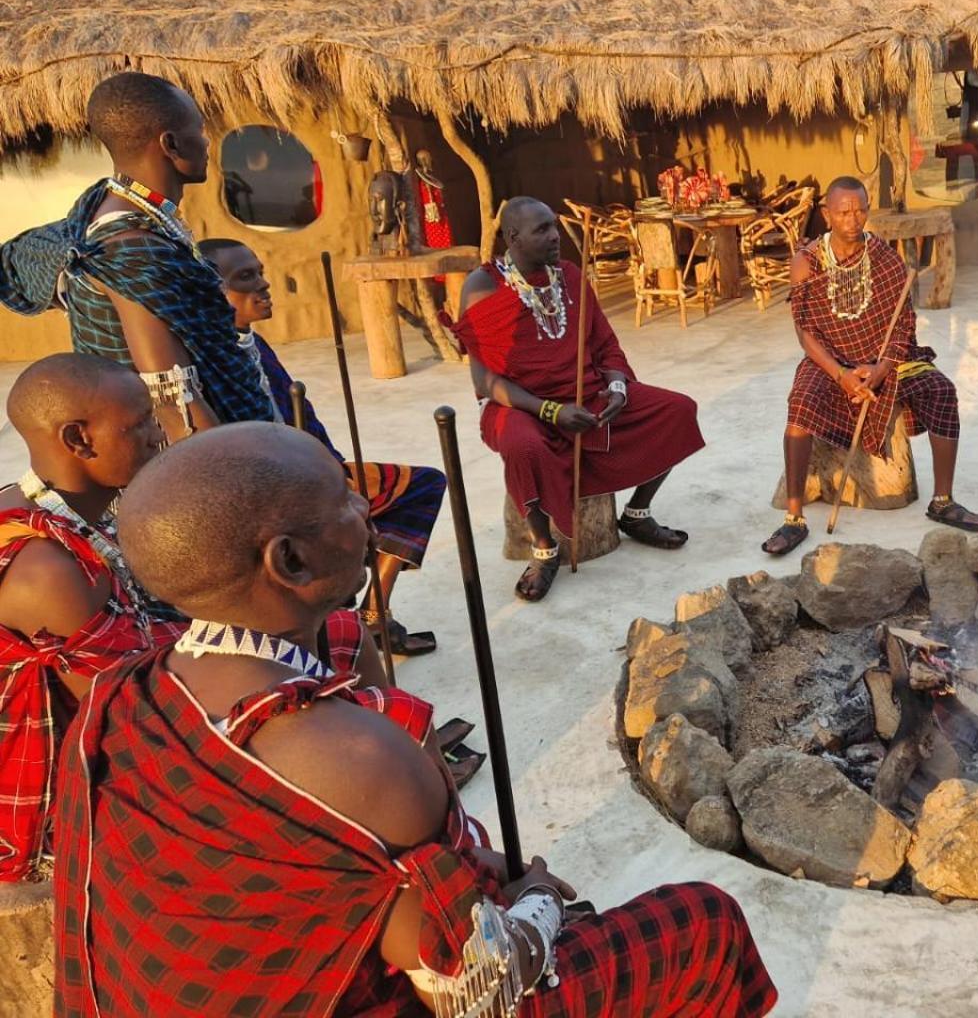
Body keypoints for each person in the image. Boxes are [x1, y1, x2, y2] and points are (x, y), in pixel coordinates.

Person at [53, 423, 778, 1017]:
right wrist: (533, 906)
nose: (367, 511)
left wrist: (469, 865)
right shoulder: (350, 757)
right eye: (344, 498)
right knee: (702, 922)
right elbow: (470, 986)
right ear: (292, 560)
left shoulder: (125, 692)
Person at [446, 197, 704, 602]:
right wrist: (551, 410)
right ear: (512, 237)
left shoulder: (568, 274)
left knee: (676, 410)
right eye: (542, 230)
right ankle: (544, 547)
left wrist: (617, 386)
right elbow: (485, 379)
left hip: (586, 395)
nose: (555, 237)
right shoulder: (484, 285)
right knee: (522, 444)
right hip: (518, 405)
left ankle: (636, 514)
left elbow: (604, 345)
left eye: (554, 226)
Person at [199, 237, 445, 657]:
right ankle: (346, 638)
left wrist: (333, 472)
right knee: (326, 545)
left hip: (313, 471)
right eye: (245, 278)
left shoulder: (253, 343)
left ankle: (376, 613)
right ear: (209, 292)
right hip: (272, 498)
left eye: (260, 272)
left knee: (422, 486)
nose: (263, 285)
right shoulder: (210, 363)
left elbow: (303, 416)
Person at [0, 72, 275, 442]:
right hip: (178, 464)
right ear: (172, 144)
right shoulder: (131, 250)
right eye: (200, 128)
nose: (207, 141)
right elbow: (174, 401)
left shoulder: (108, 211)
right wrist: (241, 475)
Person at [0, 353, 180, 882]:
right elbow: (128, 724)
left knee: (325, 637)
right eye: (140, 422)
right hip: (58, 797)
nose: (157, 434)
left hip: (122, 696)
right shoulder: (49, 570)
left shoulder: (80, 513)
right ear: (79, 440)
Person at [762, 175, 978, 556]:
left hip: (884, 359)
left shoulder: (885, 258)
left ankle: (943, 500)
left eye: (861, 210)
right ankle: (794, 519)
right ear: (826, 214)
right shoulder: (807, 262)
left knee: (941, 390)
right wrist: (841, 374)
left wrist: (882, 367)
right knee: (800, 405)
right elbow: (805, 333)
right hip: (829, 363)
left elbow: (903, 325)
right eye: (843, 211)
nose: (853, 219)